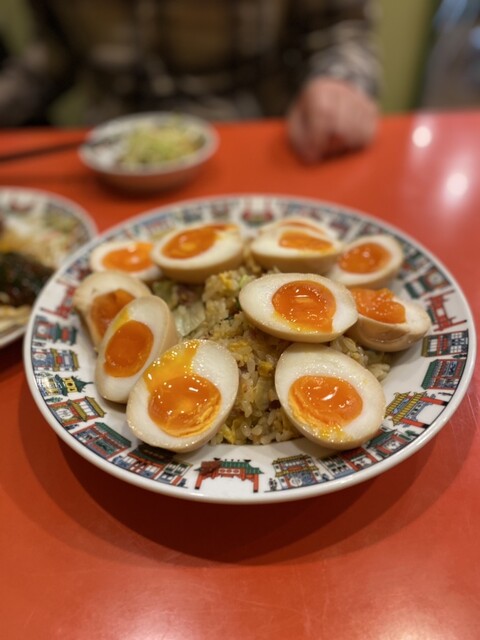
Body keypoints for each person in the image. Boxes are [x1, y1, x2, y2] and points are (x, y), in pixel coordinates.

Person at [0, 0, 380, 163]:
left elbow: (339, 29)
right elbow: (54, 52)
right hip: (109, 155)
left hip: (259, 145)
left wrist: (339, 83)